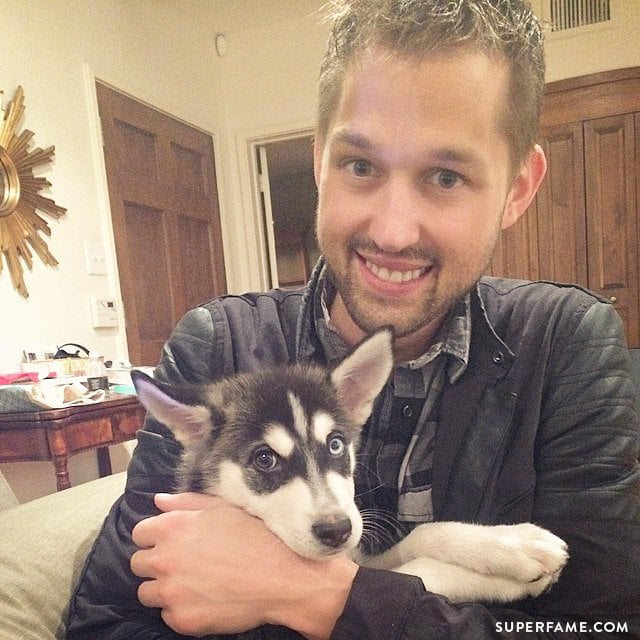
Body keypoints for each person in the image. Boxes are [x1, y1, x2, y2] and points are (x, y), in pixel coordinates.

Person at [66, 1, 640, 638]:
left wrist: (322, 597)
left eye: (446, 176)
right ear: (319, 164)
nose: (391, 232)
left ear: (517, 189)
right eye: (360, 166)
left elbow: (602, 628)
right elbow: (103, 623)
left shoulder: (566, 343)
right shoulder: (216, 346)